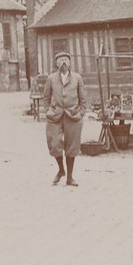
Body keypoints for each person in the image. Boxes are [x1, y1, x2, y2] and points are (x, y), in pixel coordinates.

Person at [42, 51, 87, 187]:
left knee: (71, 146)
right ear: (56, 64)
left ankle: (70, 177)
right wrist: (48, 111)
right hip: (55, 116)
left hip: (73, 116)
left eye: (66, 60)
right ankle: (61, 170)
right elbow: (46, 97)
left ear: (70, 63)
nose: (63, 63)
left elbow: (83, 98)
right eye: (60, 60)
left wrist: (81, 112)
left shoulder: (77, 78)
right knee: (54, 144)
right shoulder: (51, 78)